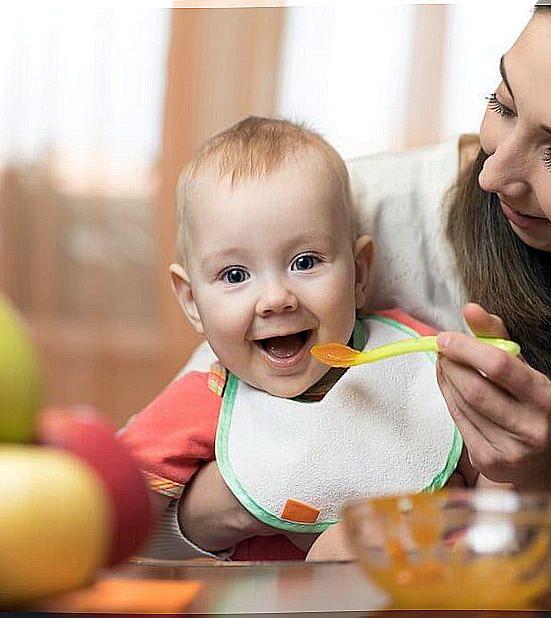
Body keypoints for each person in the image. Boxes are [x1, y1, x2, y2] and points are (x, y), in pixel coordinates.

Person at [157, 4, 551, 565]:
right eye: (503, 104)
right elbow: (150, 526)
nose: (491, 173)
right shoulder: (333, 220)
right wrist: (265, 495)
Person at [118, 116, 472, 561]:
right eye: (235, 275)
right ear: (192, 301)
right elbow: (114, 515)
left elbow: (495, 467)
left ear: (359, 273)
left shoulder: (414, 356)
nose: (275, 299)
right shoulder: (208, 400)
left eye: (305, 262)